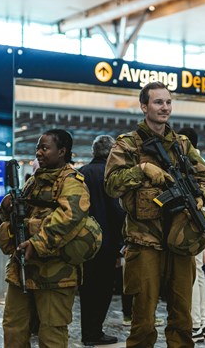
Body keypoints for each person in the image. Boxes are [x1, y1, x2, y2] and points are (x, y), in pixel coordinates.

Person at [104, 81, 205, 348]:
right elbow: (111, 184)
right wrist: (141, 169)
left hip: (180, 241)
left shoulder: (182, 145)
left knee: (182, 319)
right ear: (144, 107)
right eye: (158, 102)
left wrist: (201, 196)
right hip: (144, 242)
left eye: (168, 102)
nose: (164, 107)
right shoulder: (128, 145)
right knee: (143, 320)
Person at [0, 129, 90, 348]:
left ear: (62, 151)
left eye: (44, 148)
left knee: (52, 333)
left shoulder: (72, 182)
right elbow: (18, 215)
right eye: (38, 148)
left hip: (56, 272)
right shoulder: (34, 182)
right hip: (23, 266)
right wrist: (6, 206)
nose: (38, 152)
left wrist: (37, 243)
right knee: (14, 327)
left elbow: (70, 218)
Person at [78, 135, 125, 346]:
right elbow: (117, 212)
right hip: (106, 243)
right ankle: (95, 332)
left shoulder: (81, 174)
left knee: (87, 289)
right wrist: (121, 245)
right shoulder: (110, 175)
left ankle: (87, 331)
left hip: (84, 244)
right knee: (104, 289)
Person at [178, 127, 205, 343]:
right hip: (201, 220)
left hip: (193, 221)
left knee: (193, 273)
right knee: (198, 272)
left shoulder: (190, 162)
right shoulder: (202, 162)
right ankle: (201, 322)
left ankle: (195, 324)